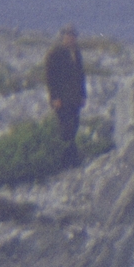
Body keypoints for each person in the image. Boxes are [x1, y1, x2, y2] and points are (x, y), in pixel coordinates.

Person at [45, 24, 86, 167]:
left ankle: (73, 159)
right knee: (64, 129)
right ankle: (65, 161)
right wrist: (54, 98)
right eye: (69, 36)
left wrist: (83, 95)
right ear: (63, 37)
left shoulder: (76, 53)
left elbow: (80, 75)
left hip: (74, 99)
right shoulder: (55, 54)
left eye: (73, 36)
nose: (71, 39)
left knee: (74, 127)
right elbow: (50, 78)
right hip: (62, 99)